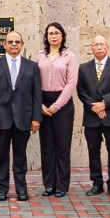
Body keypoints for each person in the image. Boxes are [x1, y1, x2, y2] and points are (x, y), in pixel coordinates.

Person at [0, 30, 42, 202]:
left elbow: (37, 95)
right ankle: (1, 189)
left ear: (22, 45)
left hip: (23, 118)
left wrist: (36, 118)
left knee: (20, 157)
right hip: (0, 119)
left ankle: (21, 189)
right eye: (10, 42)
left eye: (17, 42)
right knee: (1, 156)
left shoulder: (32, 66)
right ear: (4, 44)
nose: (14, 44)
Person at [76, 35, 110, 197]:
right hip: (92, 116)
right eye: (95, 45)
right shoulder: (84, 68)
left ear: (107, 47)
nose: (98, 47)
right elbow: (81, 91)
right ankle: (96, 183)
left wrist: (104, 104)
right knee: (93, 151)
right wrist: (95, 107)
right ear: (91, 48)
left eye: (101, 44)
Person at [34, 22, 78, 198]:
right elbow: (33, 81)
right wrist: (39, 104)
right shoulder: (39, 56)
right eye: (51, 33)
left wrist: (56, 106)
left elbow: (71, 83)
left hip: (63, 105)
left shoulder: (69, 56)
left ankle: (61, 185)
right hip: (43, 103)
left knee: (62, 147)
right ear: (46, 36)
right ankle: (49, 184)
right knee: (47, 146)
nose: (54, 36)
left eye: (57, 33)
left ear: (62, 36)